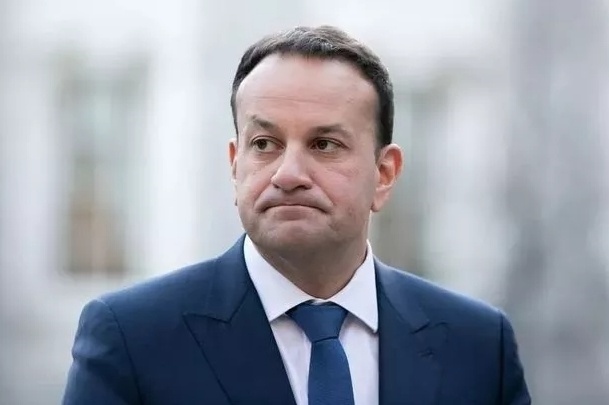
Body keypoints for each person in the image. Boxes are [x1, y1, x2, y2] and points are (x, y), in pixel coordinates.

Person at [62, 25, 531, 405]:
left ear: (384, 174)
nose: (288, 174)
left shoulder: (477, 346)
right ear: (235, 165)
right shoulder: (134, 339)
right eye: (264, 144)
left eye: (324, 144)